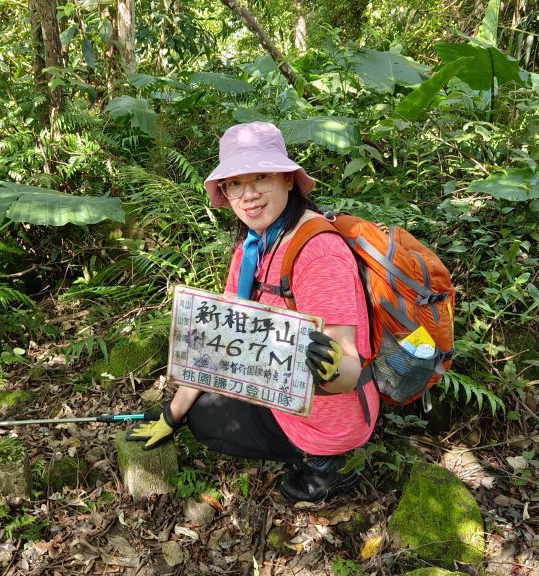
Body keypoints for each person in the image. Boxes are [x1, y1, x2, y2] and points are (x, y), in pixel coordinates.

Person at [127, 121, 380, 503]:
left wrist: (329, 365)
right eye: (234, 183)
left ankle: (329, 464)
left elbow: (348, 369)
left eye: (261, 176)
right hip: (279, 385)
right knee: (194, 409)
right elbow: (220, 342)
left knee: (207, 419)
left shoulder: (318, 252)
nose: (248, 195)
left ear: (288, 180)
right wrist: (170, 414)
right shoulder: (253, 248)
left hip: (330, 412)